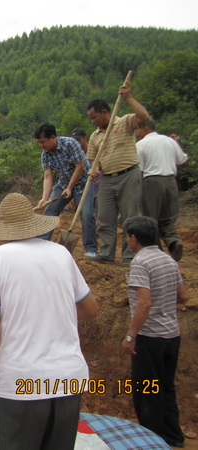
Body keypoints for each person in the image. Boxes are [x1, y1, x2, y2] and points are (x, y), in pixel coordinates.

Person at [0, 193, 98, 450]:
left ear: (1, 229)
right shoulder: (60, 253)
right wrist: (52, 317)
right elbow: (90, 308)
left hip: (20, 383)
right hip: (66, 380)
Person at [121, 215, 189, 447]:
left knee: (146, 389)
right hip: (172, 335)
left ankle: (149, 441)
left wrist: (131, 335)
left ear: (134, 238)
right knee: (166, 387)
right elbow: (183, 296)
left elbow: (144, 303)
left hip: (150, 337)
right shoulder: (169, 260)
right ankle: (173, 436)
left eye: (127, 236)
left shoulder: (140, 262)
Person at [85, 82, 150, 266]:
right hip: (107, 179)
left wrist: (128, 97)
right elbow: (94, 159)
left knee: (130, 218)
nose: (93, 121)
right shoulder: (95, 136)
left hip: (129, 175)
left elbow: (144, 116)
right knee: (104, 218)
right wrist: (95, 168)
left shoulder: (125, 121)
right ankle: (106, 253)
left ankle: (129, 256)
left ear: (105, 112)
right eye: (90, 118)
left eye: (94, 117)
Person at [34, 123, 98, 257]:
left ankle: (91, 249)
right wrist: (45, 198)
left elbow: (79, 167)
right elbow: (48, 177)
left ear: (52, 137)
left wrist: (70, 188)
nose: (41, 145)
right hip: (63, 183)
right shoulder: (45, 155)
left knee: (87, 214)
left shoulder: (70, 144)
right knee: (49, 211)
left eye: (43, 142)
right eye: (39, 143)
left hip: (82, 183)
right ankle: (41, 243)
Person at [136, 119, 188, 261]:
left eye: (137, 129)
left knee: (150, 219)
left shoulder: (141, 145)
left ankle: (156, 253)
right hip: (171, 181)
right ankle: (173, 241)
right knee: (167, 218)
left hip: (152, 182)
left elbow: (139, 170)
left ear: (144, 128)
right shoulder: (169, 141)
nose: (136, 133)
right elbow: (183, 161)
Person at [72, 127, 100, 214]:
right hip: (83, 191)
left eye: (78, 140)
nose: (77, 143)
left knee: (100, 216)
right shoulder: (74, 156)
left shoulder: (95, 150)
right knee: (86, 215)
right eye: (74, 141)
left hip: (98, 189)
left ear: (85, 138)